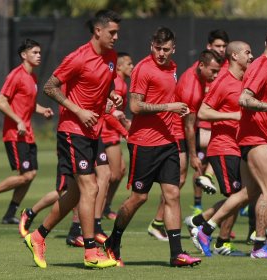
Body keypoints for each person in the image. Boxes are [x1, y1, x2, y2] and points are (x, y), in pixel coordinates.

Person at [23, 10, 123, 269]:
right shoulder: (77, 57)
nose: (115, 37)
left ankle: (38, 235)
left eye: (117, 32)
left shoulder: (111, 57)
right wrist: (77, 109)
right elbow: (49, 86)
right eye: (112, 32)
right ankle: (91, 252)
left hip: (94, 130)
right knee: (90, 188)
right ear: (98, 31)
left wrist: (111, 97)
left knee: (78, 192)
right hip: (72, 129)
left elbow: (105, 84)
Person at [103, 27, 201, 267]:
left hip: (168, 143)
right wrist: (169, 107)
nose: (161, 53)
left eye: (166, 49)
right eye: (157, 48)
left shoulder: (173, 68)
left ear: (173, 49)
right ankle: (112, 242)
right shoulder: (143, 69)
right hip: (144, 143)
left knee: (173, 194)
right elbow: (135, 107)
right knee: (139, 197)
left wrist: (178, 110)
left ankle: (176, 253)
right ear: (151, 46)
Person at [196, 28, 267, 259]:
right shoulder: (261, 66)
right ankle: (258, 245)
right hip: (251, 137)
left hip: (250, 136)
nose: (250, 56)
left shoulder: (258, 67)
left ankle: (204, 229)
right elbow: (244, 99)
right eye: (247, 52)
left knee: (248, 192)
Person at [147, 48, 224, 242]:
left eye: (218, 71)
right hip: (176, 132)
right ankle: (157, 223)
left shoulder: (197, 73)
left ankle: (157, 223)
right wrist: (194, 156)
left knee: (177, 181)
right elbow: (189, 126)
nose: (215, 75)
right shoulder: (192, 89)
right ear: (201, 66)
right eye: (213, 71)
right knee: (176, 180)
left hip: (179, 130)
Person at [185, 41, 253, 257]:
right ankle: (211, 234)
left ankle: (199, 223)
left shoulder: (244, 81)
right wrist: (231, 115)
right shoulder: (223, 82)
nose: (251, 57)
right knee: (238, 195)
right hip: (223, 147)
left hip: (238, 146)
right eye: (247, 53)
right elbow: (203, 113)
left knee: (240, 196)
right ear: (234, 56)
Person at [0, 39, 53, 223]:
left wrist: (42, 109)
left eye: (39, 52)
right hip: (14, 134)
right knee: (27, 175)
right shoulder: (16, 75)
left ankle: (9, 214)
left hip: (27, 134)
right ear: (24, 55)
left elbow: (28, 104)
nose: (39, 56)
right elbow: (0, 101)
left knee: (30, 175)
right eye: (35, 52)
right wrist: (18, 121)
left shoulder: (33, 77)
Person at [192, 30, 231, 214]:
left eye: (224, 46)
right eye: (218, 46)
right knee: (198, 165)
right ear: (209, 47)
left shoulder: (229, 69)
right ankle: (198, 206)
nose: (221, 49)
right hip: (203, 125)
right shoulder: (200, 70)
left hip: (218, 124)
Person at [102, 52, 134, 220]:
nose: (132, 67)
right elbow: (107, 113)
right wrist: (124, 131)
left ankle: (105, 206)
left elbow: (116, 113)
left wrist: (123, 121)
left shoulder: (122, 84)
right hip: (107, 132)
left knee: (120, 171)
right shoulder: (117, 84)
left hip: (113, 130)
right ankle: (98, 207)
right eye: (129, 64)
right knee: (112, 174)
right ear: (119, 66)